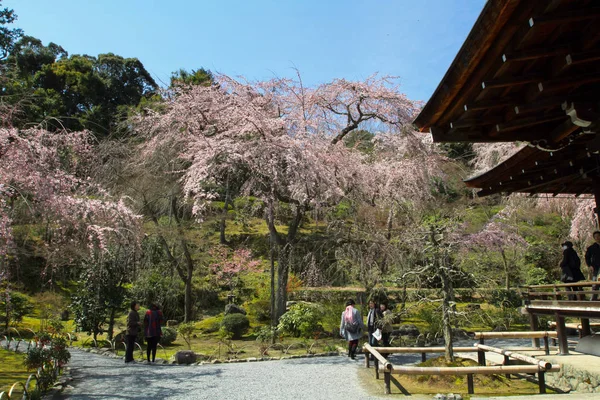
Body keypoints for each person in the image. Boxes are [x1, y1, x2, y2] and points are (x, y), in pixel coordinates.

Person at [585, 231, 600, 300]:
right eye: (596, 236)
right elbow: (587, 257)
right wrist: (590, 265)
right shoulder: (591, 248)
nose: (597, 238)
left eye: (598, 236)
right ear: (594, 238)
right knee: (595, 284)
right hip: (596, 267)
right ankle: (593, 300)